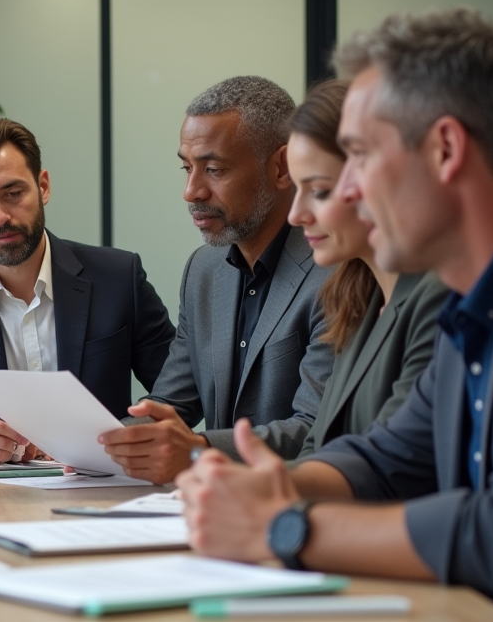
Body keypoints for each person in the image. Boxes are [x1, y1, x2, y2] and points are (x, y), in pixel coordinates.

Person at [178, 8, 493, 622]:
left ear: (446, 149)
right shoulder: (479, 291)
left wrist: (285, 527)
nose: (347, 189)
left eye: (362, 155)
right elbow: (389, 457)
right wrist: (268, 486)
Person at [0, 117, 175, 464]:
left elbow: (179, 391)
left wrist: (118, 441)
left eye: (13, 194)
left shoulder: (118, 277)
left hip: (102, 484)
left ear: (43, 186)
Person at [98, 76, 334, 484]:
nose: (191, 192)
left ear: (282, 167)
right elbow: (171, 403)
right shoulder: (203, 270)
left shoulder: (336, 272)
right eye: (187, 168)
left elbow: (315, 428)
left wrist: (197, 449)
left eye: (213, 170)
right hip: (214, 503)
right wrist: (98, 443)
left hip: (296, 502)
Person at [285, 80, 449, 457]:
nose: (295, 214)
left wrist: (266, 483)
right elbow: (316, 446)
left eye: (319, 191)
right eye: (296, 189)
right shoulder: (355, 297)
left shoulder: (435, 296)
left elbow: (389, 460)